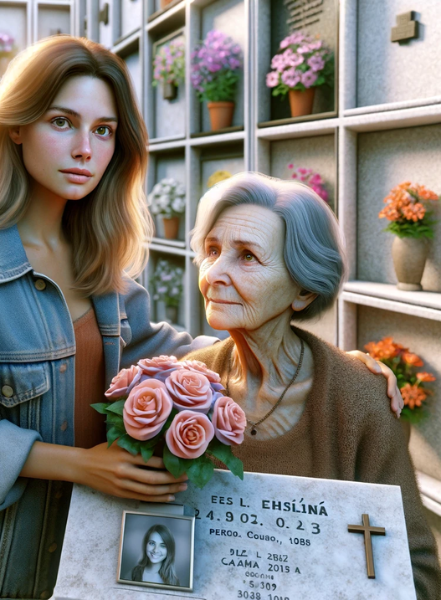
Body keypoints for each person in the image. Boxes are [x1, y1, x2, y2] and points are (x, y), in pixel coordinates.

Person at [0, 36, 401, 600]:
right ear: (16, 126)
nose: (84, 148)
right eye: (62, 121)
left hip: (83, 560)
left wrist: (324, 364)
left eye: (103, 130)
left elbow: (164, 349)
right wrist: (80, 465)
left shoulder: (99, 266)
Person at [183, 172, 441, 599]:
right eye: (212, 250)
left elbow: (417, 574)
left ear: (302, 290)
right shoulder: (183, 386)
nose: (214, 273)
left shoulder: (360, 399)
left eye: (247, 256)